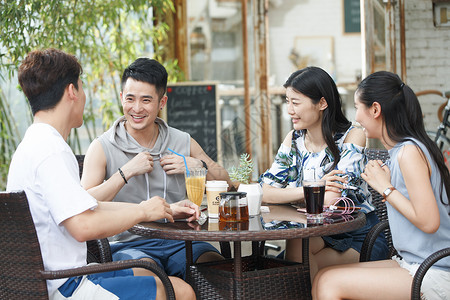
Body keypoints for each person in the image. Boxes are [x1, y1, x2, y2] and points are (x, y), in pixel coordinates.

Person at [6, 48, 195, 300]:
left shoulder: (34, 143)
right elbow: (83, 226)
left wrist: (155, 208)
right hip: (66, 286)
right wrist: (141, 211)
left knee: (158, 278)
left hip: (56, 277)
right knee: (179, 291)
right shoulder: (51, 151)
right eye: (82, 88)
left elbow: (87, 207)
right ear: (72, 91)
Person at [81, 57, 230, 279]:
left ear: (162, 103)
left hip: (182, 242)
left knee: (219, 273)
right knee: (150, 277)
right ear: (121, 97)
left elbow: (226, 182)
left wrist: (197, 165)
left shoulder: (182, 141)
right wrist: (126, 172)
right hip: (129, 245)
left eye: (146, 100)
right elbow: (82, 202)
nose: (137, 108)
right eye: (130, 99)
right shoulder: (102, 146)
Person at [313, 71, 450, 300]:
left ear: (375, 110)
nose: (356, 118)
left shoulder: (410, 152)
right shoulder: (400, 152)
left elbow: (429, 222)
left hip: (435, 270)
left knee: (329, 283)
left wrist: (385, 188)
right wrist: (387, 186)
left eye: (358, 107)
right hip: (415, 263)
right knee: (322, 277)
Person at [259, 66, 388, 280]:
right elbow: (265, 191)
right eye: (287, 101)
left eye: (296, 102)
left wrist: (293, 195)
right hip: (318, 235)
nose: (289, 110)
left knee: (290, 268)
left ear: (322, 103)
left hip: (358, 236)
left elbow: (330, 201)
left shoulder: (352, 137)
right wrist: (314, 187)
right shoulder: (293, 140)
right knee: (293, 250)